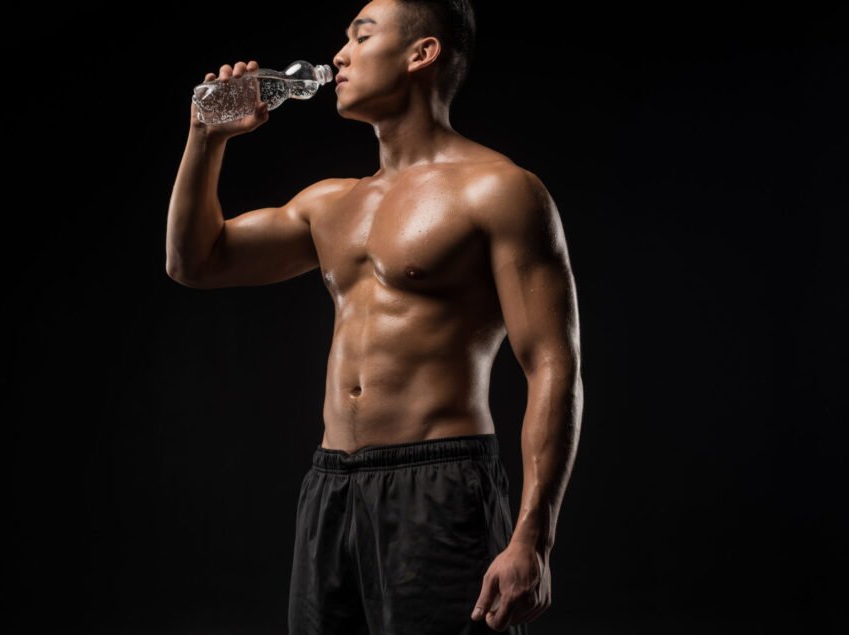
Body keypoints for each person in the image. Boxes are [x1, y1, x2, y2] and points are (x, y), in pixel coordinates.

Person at [165, 1, 582, 632]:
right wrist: (206, 138)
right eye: (343, 40)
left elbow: (553, 364)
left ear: (421, 54)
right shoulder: (330, 203)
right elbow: (195, 261)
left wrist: (534, 538)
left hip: (440, 485)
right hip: (331, 486)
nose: (339, 56)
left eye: (361, 37)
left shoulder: (498, 190)